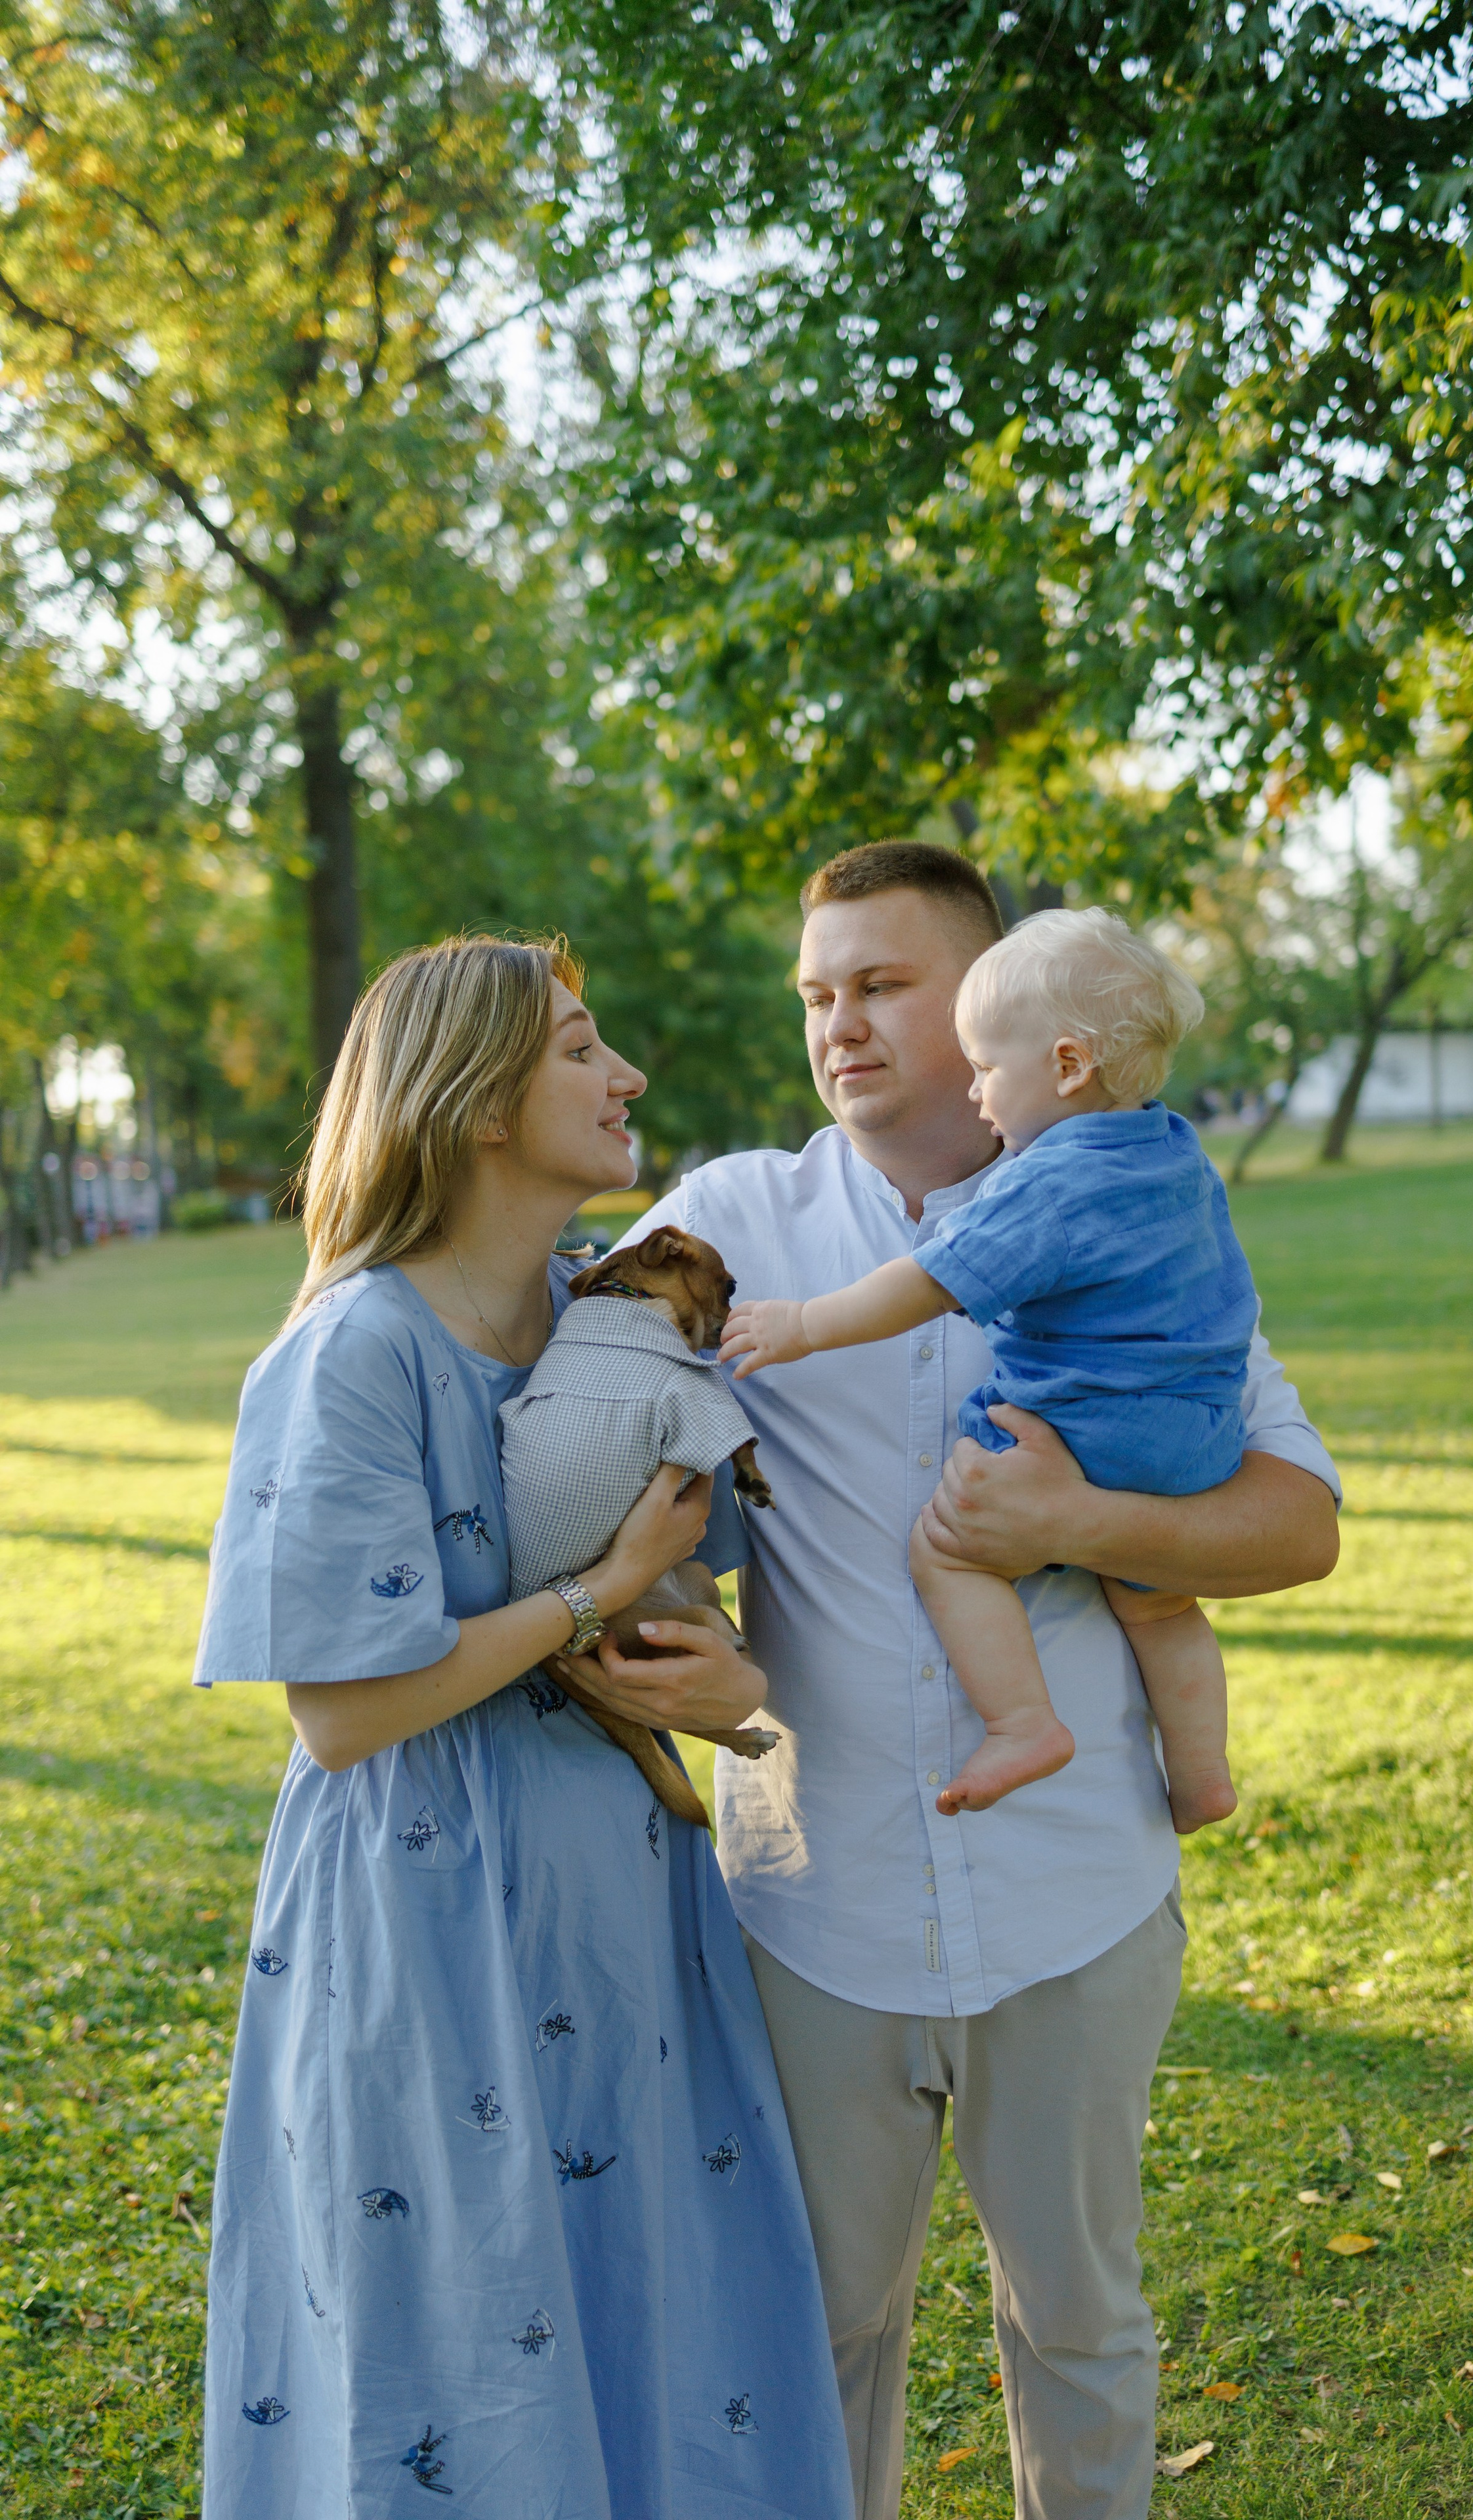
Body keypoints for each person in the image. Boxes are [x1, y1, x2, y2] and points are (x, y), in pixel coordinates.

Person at [628, 843, 1340, 2520]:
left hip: (1073, 1893)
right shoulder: (735, 1221)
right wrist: (670, 1609)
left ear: (992, 1005)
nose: (840, 1026)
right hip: (816, 1903)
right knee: (815, 2327)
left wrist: (1080, 1517)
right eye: (817, 993)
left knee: (1082, 2322)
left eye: (881, 986)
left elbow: (1297, 1522)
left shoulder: (1133, 1205)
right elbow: (597, 1439)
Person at [192, 935, 852, 2520]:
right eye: (578, 1050)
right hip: (426, 1917)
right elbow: (344, 1710)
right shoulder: (352, 1353)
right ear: (478, 1101)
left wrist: (727, 1688)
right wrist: (587, 1595)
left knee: (656, 2301)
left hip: (625, 1908)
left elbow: (714, 1623)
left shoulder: (611, 1323)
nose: (623, 1078)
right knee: (456, 2332)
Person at [721, 905, 1256, 1828]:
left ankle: (1022, 1724)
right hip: (1197, 1432)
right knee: (1163, 1608)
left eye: (986, 1069)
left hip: (1081, 1425)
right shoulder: (1171, 1148)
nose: (977, 1095)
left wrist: (803, 1324)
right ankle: (1204, 1770)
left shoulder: (1047, 1181)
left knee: (949, 1552)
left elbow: (928, 1282)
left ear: (1065, 1065)